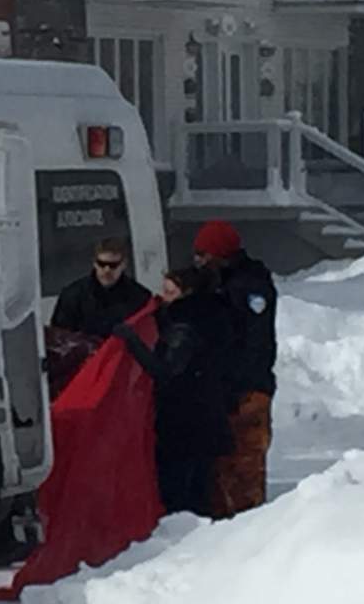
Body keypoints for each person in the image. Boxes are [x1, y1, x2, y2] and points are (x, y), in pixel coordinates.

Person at [114, 268, 233, 517]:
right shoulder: (207, 317)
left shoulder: (184, 329)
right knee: (198, 486)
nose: (163, 296)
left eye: (169, 292)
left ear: (186, 294)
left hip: (185, 422)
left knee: (180, 491)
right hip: (203, 417)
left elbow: (165, 370)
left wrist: (132, 341)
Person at [191, 220, 277, 517]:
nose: (198, 261)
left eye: (203, 255)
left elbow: (250, 346)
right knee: (221, 471)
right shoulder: (226, 284)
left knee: (244, 469)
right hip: (224, 391)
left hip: (245, 392)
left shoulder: (247, 289)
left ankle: (247, 531)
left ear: (218, 255)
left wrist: (232, 386)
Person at [50, 237, 152, 339]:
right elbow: (59, 337)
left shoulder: (140, 297)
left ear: (124, 264)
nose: (106, 270)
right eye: (102, 264)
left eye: (113, 265)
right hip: (85, 353)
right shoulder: (72, 296)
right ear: (94, 263)